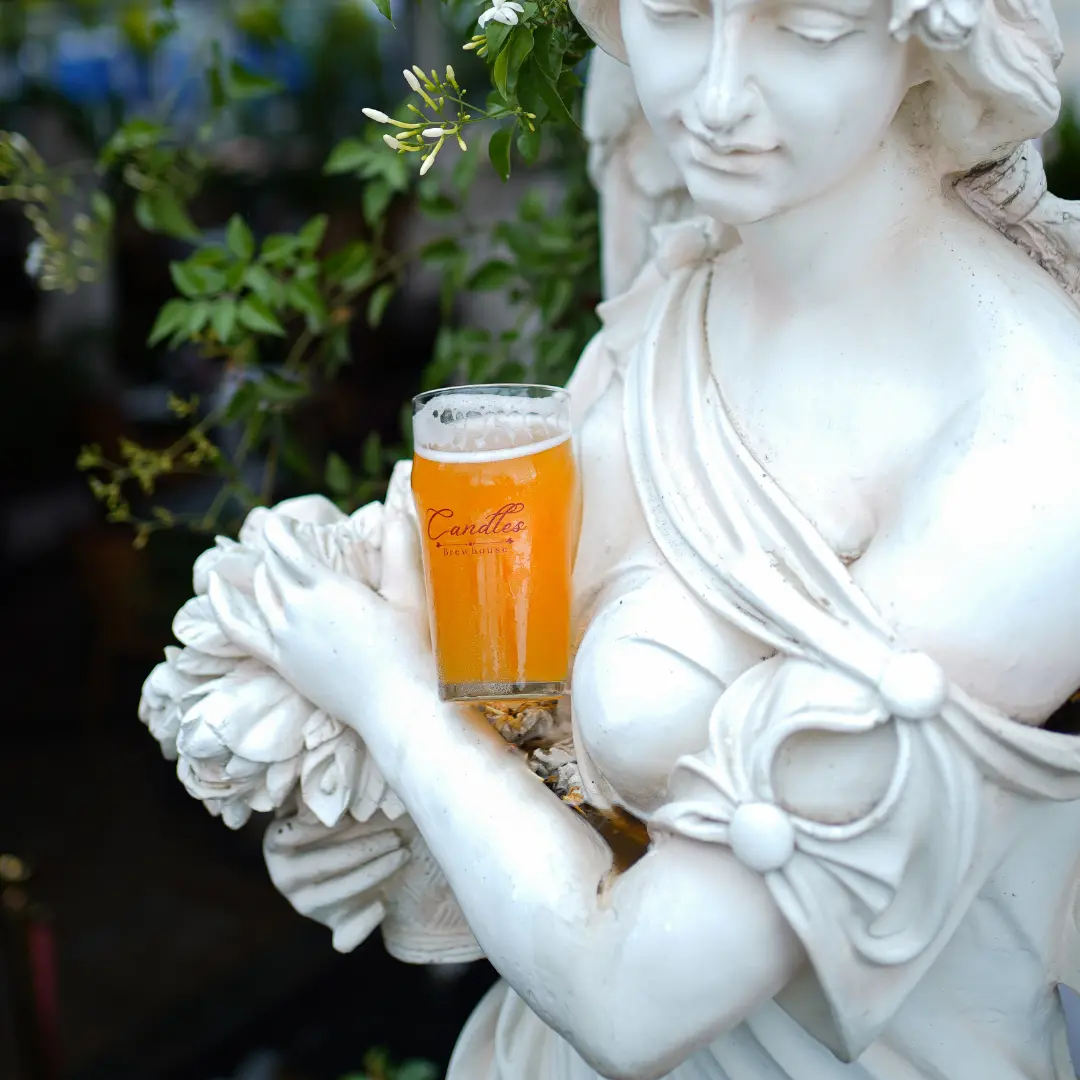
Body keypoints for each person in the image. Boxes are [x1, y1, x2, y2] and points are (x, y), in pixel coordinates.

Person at [193, 0, 1080, 1075]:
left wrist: (383, 693)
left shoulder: (1028, 449)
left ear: (932, 38)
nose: (709, 99)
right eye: (672, 12)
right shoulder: (692, 291)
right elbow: (545, 722)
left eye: (804, 31)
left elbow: (634, 1005)